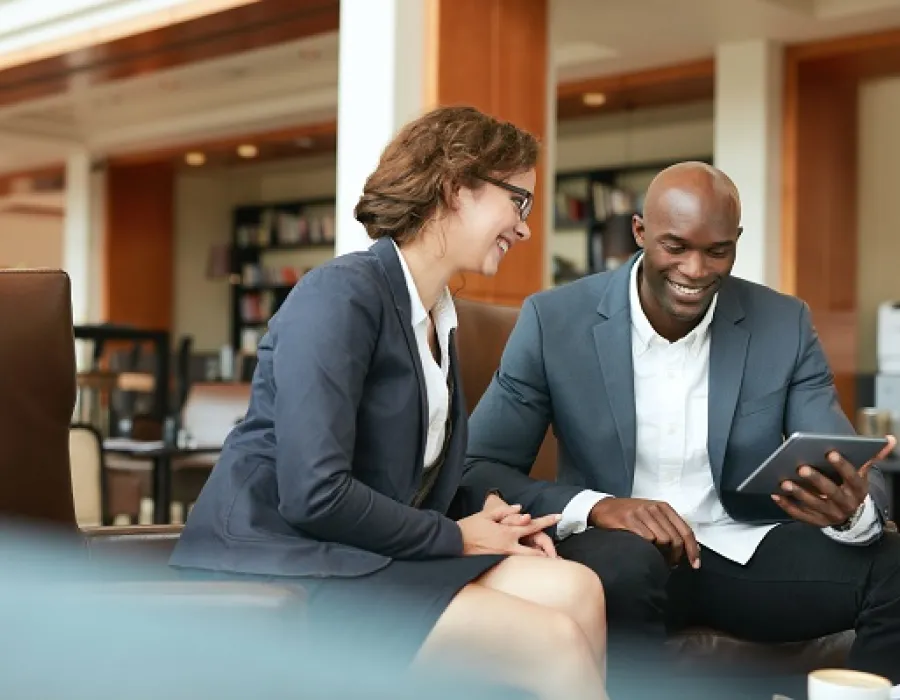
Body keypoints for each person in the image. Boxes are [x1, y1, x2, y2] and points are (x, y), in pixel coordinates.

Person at [170, 105, 607, 700]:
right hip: (278, 562)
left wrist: (490, 517)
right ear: (456, 188)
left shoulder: (438, 318)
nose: (525, 228)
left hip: (356, 553)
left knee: (578, 589)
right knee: (550, 641)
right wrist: (458, 537)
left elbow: (399, 477)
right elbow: (315, 493)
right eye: (518, 201)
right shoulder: (339, 295)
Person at [463, 161, 900, 688]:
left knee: (893, 564)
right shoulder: (553, 320)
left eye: (717, 251)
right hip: (617, 556)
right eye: (675, 247)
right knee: (627, 564)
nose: (695, 269)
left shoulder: (784, 323)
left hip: (743, 549)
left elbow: (844, 458)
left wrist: (853, 511)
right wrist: (598, 507)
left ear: (735, 243)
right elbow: (479, 468)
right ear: (640, 232)